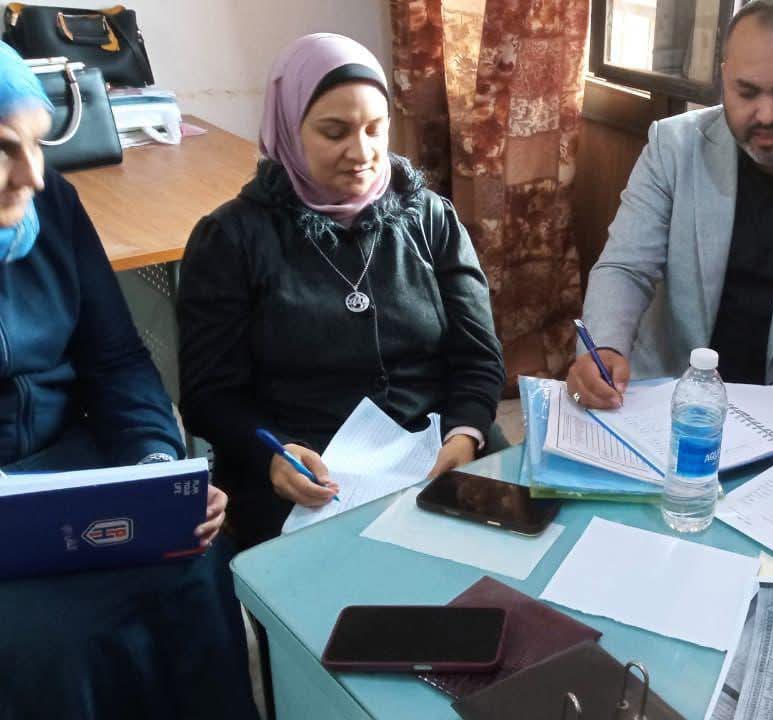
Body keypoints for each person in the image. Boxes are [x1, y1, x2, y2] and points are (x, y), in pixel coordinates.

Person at [0, 45, 255, 718]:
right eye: (3, 148)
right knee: (41, 644)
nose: (33, 174)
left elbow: (115, 360)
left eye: (37, 143)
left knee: (195, 565)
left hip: (69, 471)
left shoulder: (52, 206)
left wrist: (155, 469)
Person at [179, 34, 505, 550]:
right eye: (334, 132)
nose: (362, 153)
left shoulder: (428, 217)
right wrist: (274, 454)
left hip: (439, 441)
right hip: (306, 467)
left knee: (508, 560)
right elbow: (209, 396)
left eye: (376, 129)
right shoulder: (232, 239)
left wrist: (466, 432)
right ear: (289, 128)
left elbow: (478, 355)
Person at [567, 0, 773, 418]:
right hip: (667, 395)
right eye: (746, 92)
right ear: (725, 79)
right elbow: (626, 267)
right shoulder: (673, 147)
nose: (765, 114)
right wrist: (604, 346)